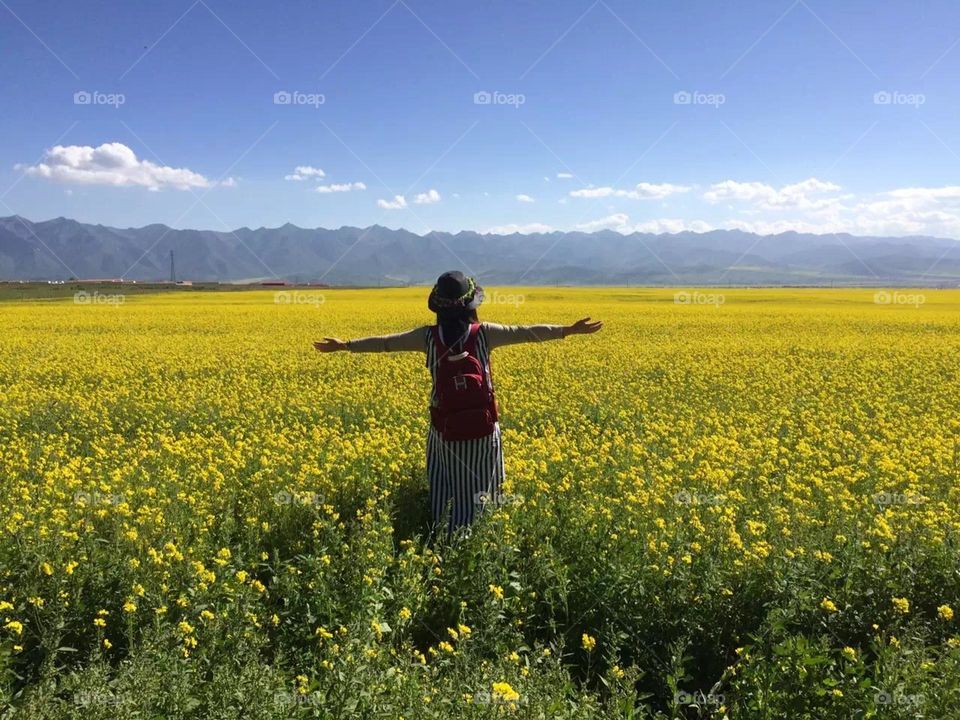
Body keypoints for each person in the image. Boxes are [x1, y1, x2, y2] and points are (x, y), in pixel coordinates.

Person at [313, 271, 603, 536]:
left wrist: (345, 345)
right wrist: (568, 329)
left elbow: (386, 343)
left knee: (445, 484)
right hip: (483, 429)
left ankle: (444, 535)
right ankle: (482, 535)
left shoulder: (427, 337)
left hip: (445, 428)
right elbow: (526, 333)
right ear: (471, 306)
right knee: (482, 484)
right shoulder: (484, 333)